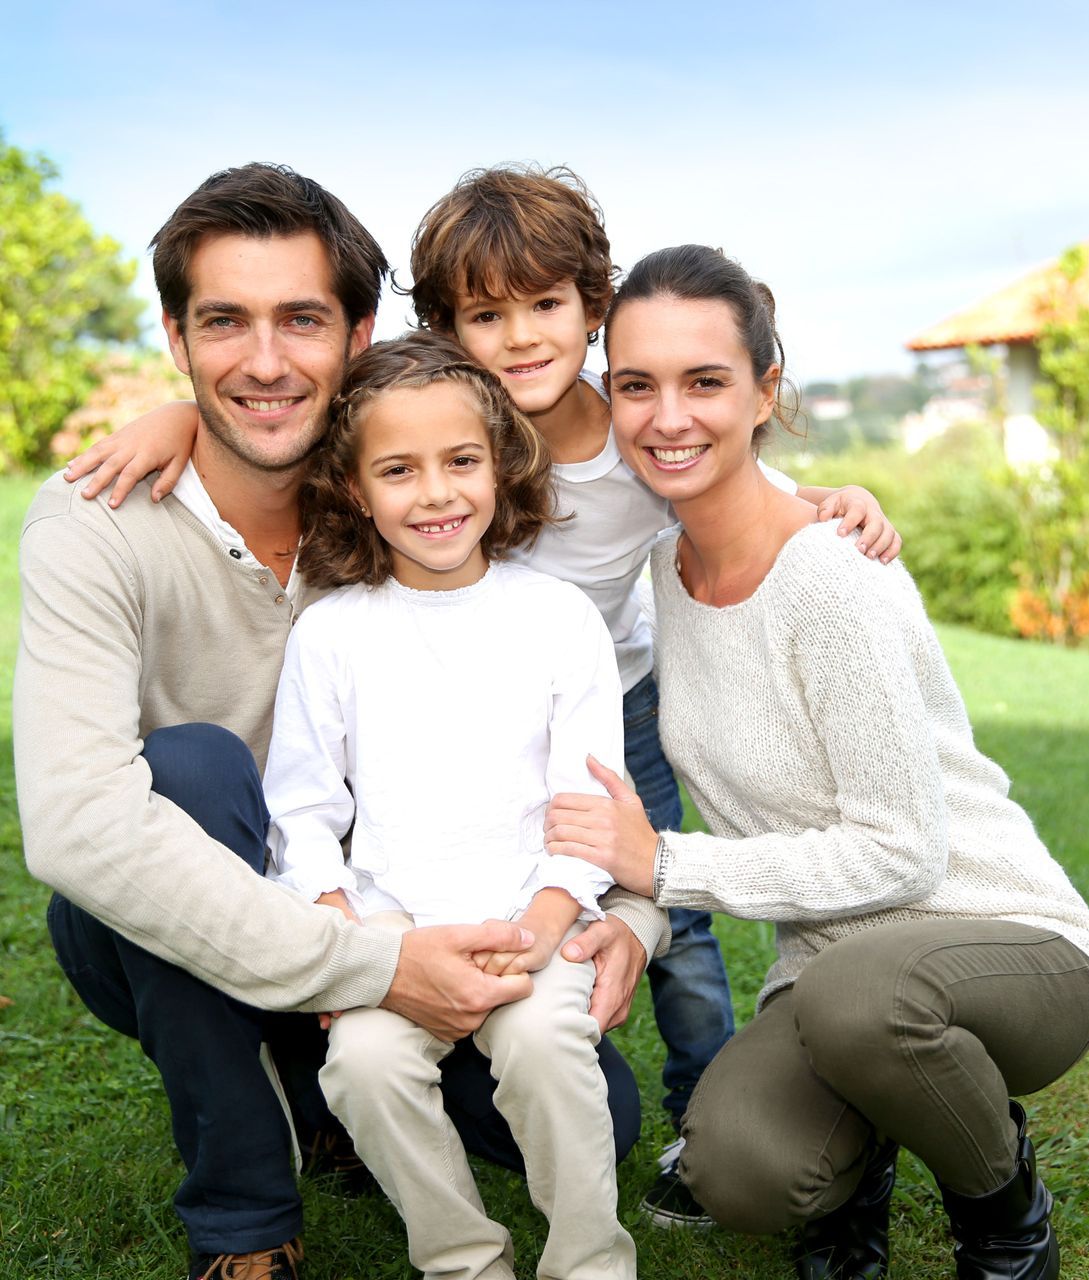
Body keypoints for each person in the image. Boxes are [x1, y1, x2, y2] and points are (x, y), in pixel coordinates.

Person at [68, 162, 903, 1229]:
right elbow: (281, 410)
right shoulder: (427, 425)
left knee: (673, 922)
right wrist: (169, 421)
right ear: (445, 330)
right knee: (426, 890)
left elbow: (731, 468)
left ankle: (701, 1112)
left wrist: (832, 497)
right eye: (485, 315)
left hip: (614, 707)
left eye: (545, 307)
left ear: (591, 313)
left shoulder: (635, 442)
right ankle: (377, 1084)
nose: (517, 338)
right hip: (451, 723)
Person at [15, 163, 665, 1280]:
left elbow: (581, 756)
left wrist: (630, 919)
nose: (264, 361)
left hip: (436, 909)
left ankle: (329, 1101)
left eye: (301, 321)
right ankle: (248, 1221)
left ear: (358, 336)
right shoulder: (100, 515)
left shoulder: (391, 502)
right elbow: (79, 826)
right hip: (207, 923)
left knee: (586, 1107)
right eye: (224, 322)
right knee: (194, 770)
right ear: (176, 335)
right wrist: (366, 964)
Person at [543, 244, 1089, 1280]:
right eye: (637, 385)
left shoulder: (831, 574)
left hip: (1007, 945)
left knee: (865, 1002)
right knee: (736, 1167)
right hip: (830, 976)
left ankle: (1001, 1208)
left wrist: (664, 864)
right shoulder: (662, 574)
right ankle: (876, 1134)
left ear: (764, 390)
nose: (667, 415)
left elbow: (901, 851)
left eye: (703, 381)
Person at [264, 330, 636, 1279]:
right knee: (363, 1068)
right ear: (355, 488)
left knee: (551, 1044)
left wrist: (550, 917)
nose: (435, 494)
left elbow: (587, 802)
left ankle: (590, 1261)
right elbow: (302, 809)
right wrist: (342, 928)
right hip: (393, 936)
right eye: (399, 469)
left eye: (461, 461)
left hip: (531, 917)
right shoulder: (332, 633)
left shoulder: (556, 618)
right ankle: (463, 1260)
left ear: (502, 467)